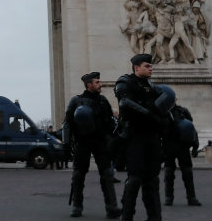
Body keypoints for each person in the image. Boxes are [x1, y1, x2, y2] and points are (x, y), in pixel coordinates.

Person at [115, 53, 167, 221]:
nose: (151, 69)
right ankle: (127, 216)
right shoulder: (125, 82)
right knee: (135, 178)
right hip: (134, 136)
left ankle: (155, 217)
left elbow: (163, 105)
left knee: (152, 179)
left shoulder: (152, 86)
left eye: (151, 66)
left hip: (152, 137)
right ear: (136, 68)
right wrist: (149, 113)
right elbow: (124, 102)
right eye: (147, 66)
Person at [64, 71, 120, 218]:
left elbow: (110, 122)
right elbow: (67, 123)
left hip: (100, 142)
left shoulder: (103, 100)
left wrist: (112, 139)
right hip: (82, 142)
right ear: (89, 85)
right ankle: (77, 206)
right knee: (78, 175)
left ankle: (112, 207)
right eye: (97, 82)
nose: (100, 85)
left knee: (107, 174)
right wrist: (66, 144)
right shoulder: (76, 101)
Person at [162, 98, 201, 207]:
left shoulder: (183, 111)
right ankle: (168, 197)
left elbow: (191, 129)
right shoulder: (162, 112)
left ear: (175, 100)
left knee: (187, 173)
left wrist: (195, 146)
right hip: (169, 145)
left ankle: (191, 197)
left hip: (182, 146)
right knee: (168, 173)